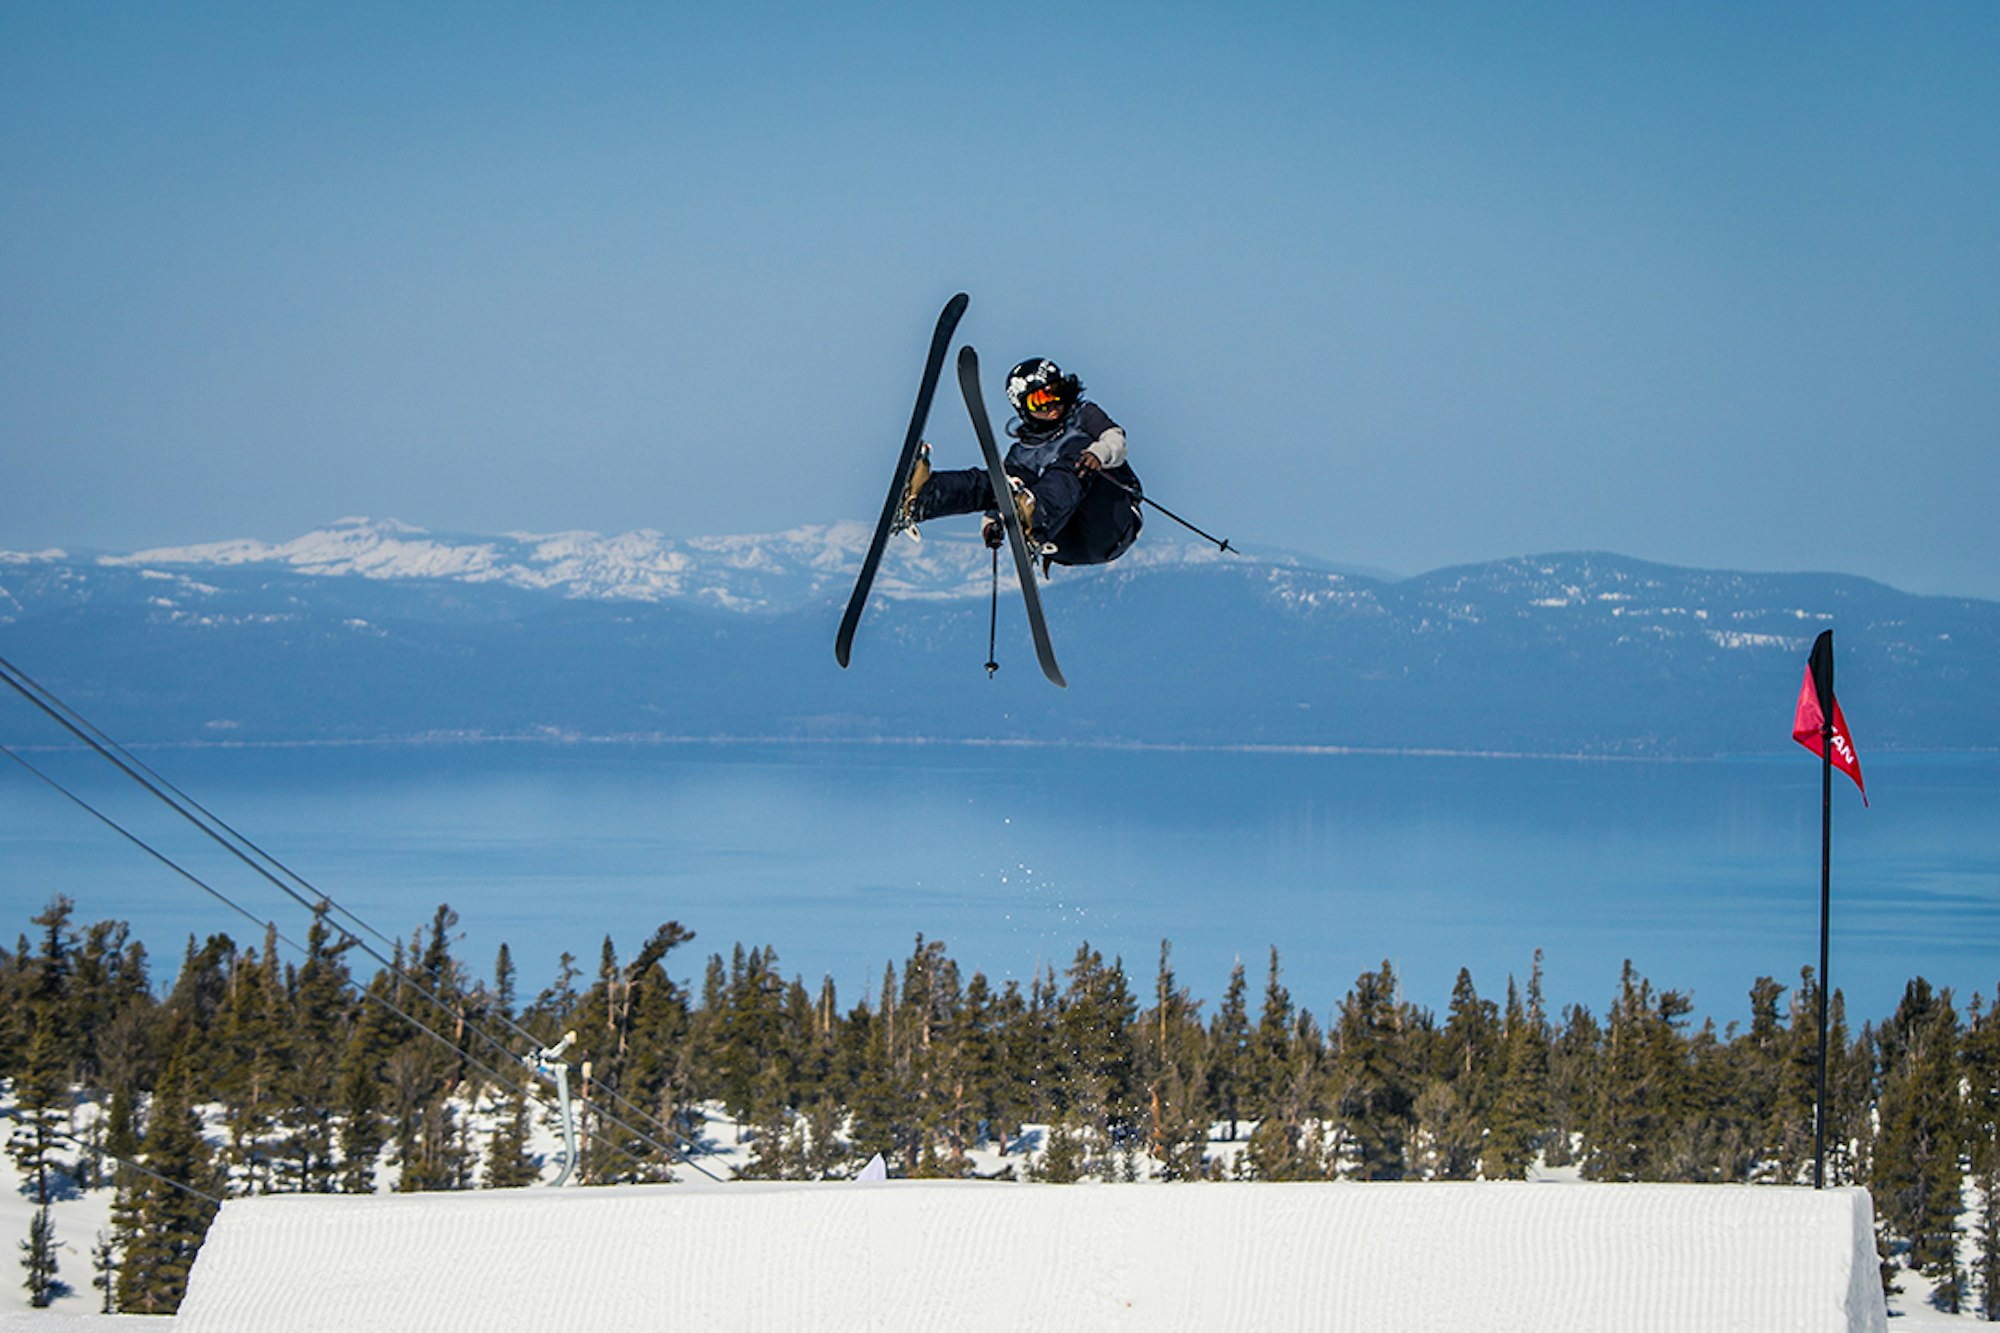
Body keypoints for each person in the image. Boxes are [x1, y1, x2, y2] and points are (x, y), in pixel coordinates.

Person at [895, 358, 1144, 567]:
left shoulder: (1084, 416)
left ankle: (1036, 513)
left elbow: (1116, 440)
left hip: (1109, 525)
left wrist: (1098, 454)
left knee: (1077, 449)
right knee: (1006, 476)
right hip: (1063, 541)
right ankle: (927, 497)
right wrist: (992, 523)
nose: (1051, 406)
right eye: (1039, 401)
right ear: (1023, 408)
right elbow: (1003, 491)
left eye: (1054, 394)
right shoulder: (1023, 451)